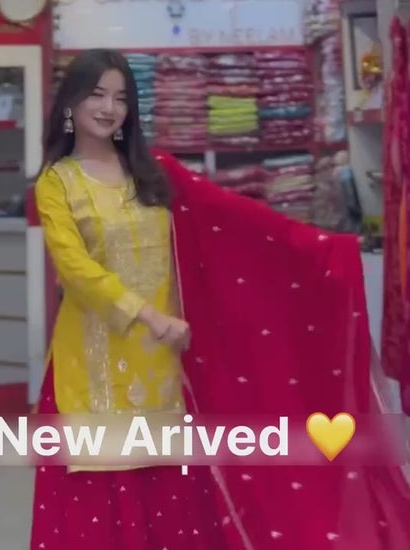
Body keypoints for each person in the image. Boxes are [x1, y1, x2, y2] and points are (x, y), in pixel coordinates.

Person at [31, 49, 410, 549]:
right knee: (101, 492)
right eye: (97, 94)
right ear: (71, 101)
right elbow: (75, 269)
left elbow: (235, 220)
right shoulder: (56, 183)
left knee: (170, 494)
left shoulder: (154, 172)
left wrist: (322, 249)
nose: (109, 108)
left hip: (166, 362)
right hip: (92, 361)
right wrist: (148, 316)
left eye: (121, 98)